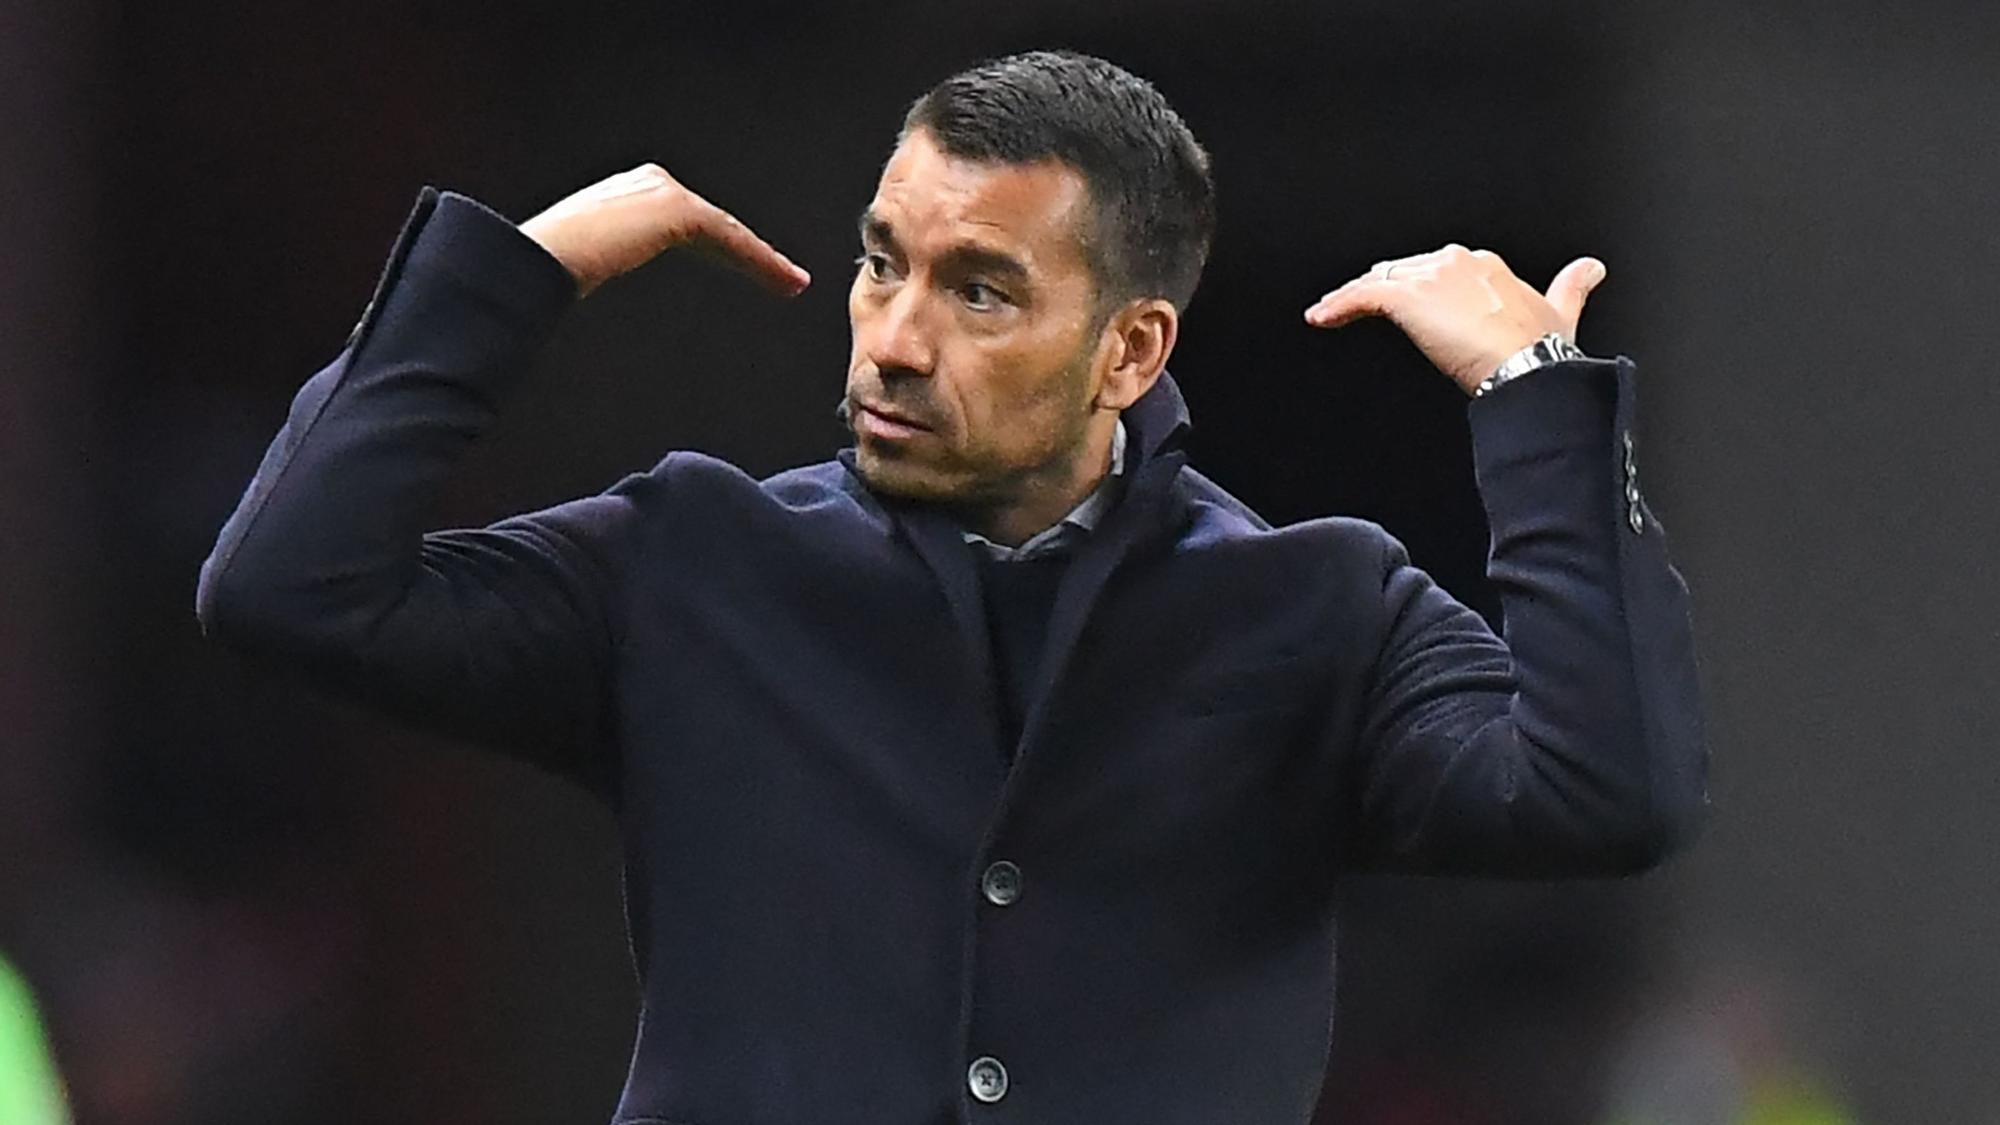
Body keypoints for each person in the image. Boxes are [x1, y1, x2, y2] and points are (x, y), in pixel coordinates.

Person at [197, 49, 1705, 1125]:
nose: (894, 338)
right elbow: (290, 587)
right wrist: (521, 269)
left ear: (1130, 351)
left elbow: (1606, 790)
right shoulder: (694, 558)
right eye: (880, 264)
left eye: (977, 287)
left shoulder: (1318, 607)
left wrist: (1534, 395)